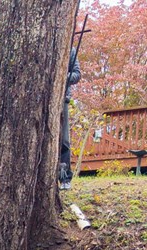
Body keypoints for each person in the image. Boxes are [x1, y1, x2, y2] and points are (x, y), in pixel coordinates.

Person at [59, 48, 82, 190]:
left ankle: (65, 177)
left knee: (64, 140)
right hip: (40, 100)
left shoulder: (69, 49)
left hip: (62, 99)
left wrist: (63, 76)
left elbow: (77, 74)